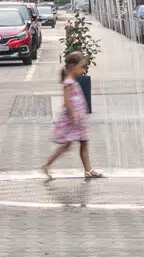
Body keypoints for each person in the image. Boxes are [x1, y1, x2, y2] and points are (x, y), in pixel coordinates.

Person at [41, 50, 102, 180]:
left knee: (83, 142)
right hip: (73, 119)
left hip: (78, 118)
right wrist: (73, 115)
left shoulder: (72, 80)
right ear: (72, 66)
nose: (83, 70)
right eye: (81, 67)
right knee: (66, 144)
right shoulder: (68, 82)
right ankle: (47, 164)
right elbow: (67, 101)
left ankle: (88, 170)